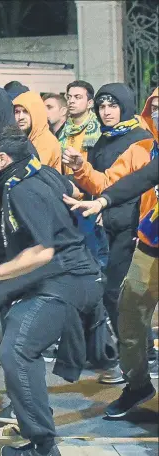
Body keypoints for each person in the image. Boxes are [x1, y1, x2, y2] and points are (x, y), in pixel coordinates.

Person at [0, 125, 102, 456]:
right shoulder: (36, 172)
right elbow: (71, 190)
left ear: (2, 158)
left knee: (17, 349)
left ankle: (42, 446)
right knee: (12, 339)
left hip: (66, 278)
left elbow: (42, 251)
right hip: (59, 274)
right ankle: (26, 421)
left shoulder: (23, 189)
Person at [62, 83, 154, 384]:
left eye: (112, 105)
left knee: (120, 294)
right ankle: (134, 363)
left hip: (135, 228)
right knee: (119, 295)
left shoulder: (140, 141)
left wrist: (97, 192)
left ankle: (136, 360)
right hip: (120, 226)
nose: (106, 111)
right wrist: (81, 173)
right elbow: (114, 185)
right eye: (102, 106)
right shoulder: (109, 140)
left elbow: (121, 185)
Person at [64, 154, 158, 418]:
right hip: (151, 242)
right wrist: (103, 202)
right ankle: (138, 385)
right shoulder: (148, 149)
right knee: (128, 314)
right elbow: (143, 177)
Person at [58, 80, 101, 175]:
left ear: (90, 103)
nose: (71, 101)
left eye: (77, 97)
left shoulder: (99, 129)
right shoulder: (63, 130)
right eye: (69, 97)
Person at [13, 91, 62, 171]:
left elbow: (31, 173)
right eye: (17, 112)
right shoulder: (23, 138)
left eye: (25, 111)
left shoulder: (46, 141)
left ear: (36, 113)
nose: (20, 117)